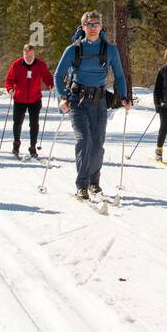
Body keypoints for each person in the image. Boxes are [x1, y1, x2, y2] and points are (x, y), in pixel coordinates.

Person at [55, 11, 130, 200]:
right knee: (84, 140)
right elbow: (58, 75)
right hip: (77, 101)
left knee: (97, 144)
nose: (93, 28)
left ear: (101, 26)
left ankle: (94, 182)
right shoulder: (73, 49)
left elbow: (119, 76)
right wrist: (62, 98)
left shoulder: (110, 50)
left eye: (96, 24)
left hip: (99, 102)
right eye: (89, 25)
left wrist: (123, 97)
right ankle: (82, 184)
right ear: (83, 27)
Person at [3, 43, 54, 158]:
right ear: (23, 54)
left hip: (35, 99)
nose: (28, 59)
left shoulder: (40, 64)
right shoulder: (16, 64)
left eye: (30, 56)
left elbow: (47, 77)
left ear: (34, 54)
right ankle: (16, 145)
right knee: (17, 123)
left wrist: (50, 84)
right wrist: (10, 89)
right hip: (19, 99)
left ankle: (32, 147)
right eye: (26, 56)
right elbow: (9, 80)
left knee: (34, 124)